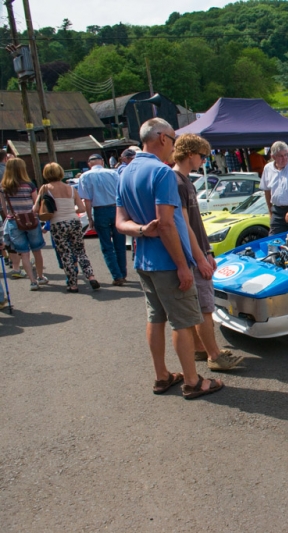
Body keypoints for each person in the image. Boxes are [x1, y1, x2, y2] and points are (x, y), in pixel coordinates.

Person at [116, 117, 224, 399]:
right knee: (184, 322)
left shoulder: (125, 172)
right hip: (168, 263)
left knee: (155, 318)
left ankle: (162, 375)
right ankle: (192, 380)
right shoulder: (161, 173)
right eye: (174, 139)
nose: (174, 145)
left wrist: (140, 230)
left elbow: (121, 222)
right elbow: (167, 224)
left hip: (143, 260)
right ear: (163, 138)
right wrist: (182, 265)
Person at [172, 134, 244, 371]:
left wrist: (208, 250)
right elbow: (183, 225)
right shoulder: (179, 183)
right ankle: (214, 355)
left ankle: (201, 349)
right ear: (190, 154)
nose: (204, 160)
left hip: (199, 252)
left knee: (199, 305)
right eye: (202, 156)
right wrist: (201, 257)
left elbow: (195, 223)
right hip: (194, 256)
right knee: (205, 308)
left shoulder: (184, 181)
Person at [40, 163, 100, 292]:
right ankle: (91, 276)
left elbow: (36, 208)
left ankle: (73, 284)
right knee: (80, 251)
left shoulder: (45, 188)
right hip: (74, 221)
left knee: (66, 254)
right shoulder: (71, 189)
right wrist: (71, 209)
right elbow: (82, 208)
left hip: (58, 223)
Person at [79, 154, 127, 286]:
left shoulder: (85, 176)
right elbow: (122, 193)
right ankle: (122, 273)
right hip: (116, 208)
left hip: (100, 210)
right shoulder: (113, 173)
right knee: (120, 244)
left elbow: (87, 201)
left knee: (107, 246)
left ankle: (117, 276)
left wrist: (90, 218)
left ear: (89, 164)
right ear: (102, 162)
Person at [0, 159, 48, 290]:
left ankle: (32, 281)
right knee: (37, 251)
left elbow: (4, 208)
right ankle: (40, 276)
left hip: (14, 221)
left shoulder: (3, 187)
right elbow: (36, 204)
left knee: (24, 253)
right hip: (31, 220)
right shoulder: (29, 185)